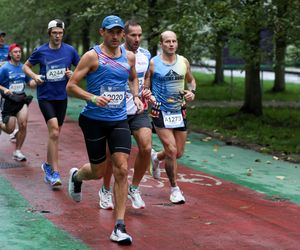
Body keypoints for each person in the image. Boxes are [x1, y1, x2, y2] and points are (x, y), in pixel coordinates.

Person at [66, 15, 143, 245]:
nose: (116, 36)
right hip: (94, 120)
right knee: (99, 171)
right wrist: (93, 97)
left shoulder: (128, 56)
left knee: (121, 168)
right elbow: (71, 86)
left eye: (119, 32)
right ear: (102, 32)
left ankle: (119, 226)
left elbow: (132, 78)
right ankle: (77, 176)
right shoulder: (92, 56)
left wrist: (136, 96)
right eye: (111, 32)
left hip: (119, 120)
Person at [98, 20, 152, 210]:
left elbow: (146, 76)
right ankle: (105, 190)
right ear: (123, 35)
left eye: (139, 35)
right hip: (115, 111)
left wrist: (145, 91)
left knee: (146, 147)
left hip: (138, 110)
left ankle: (134, 188)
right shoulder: (113, 53)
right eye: (132, 35)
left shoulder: (146, 55)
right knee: (110, 156)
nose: (137, 39)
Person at [23, 19, 80, 187]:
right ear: (49, 33)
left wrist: (73, 74)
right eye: (55, 33)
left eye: (60, 33)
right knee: (54, 131)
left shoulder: (70, 50)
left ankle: (47, 166)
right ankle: (55, 173)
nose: (58, 36)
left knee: (54, 134)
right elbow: (26, 67)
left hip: (61, 97)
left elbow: (82, 68)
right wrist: (35, 77)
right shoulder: (41, 51)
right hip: (45, 96)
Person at [149, 30, 197, 204]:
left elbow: (191, 81)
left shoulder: (183, 61)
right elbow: (146, 85)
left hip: (179, 111)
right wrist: (149, 97)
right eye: (167, 41)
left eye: (174, 41)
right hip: (160, 111)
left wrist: (192, 92)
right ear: (161, 44)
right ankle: (175, 189)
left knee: (179, 153)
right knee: (171, 149)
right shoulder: (153, 63)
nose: (171, 44)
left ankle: (156, 157)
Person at [0, 43, 37, 161]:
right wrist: (5, 89)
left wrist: (37, 81)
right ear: (10, 54)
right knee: (10, 129)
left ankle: (17, 151)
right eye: (15, 52)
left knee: (23, 124)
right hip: (8, 101)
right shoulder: (4, 68)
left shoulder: (23, 67)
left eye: (19, 52)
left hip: (21, 99)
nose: (18, 54)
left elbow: (30, 82)